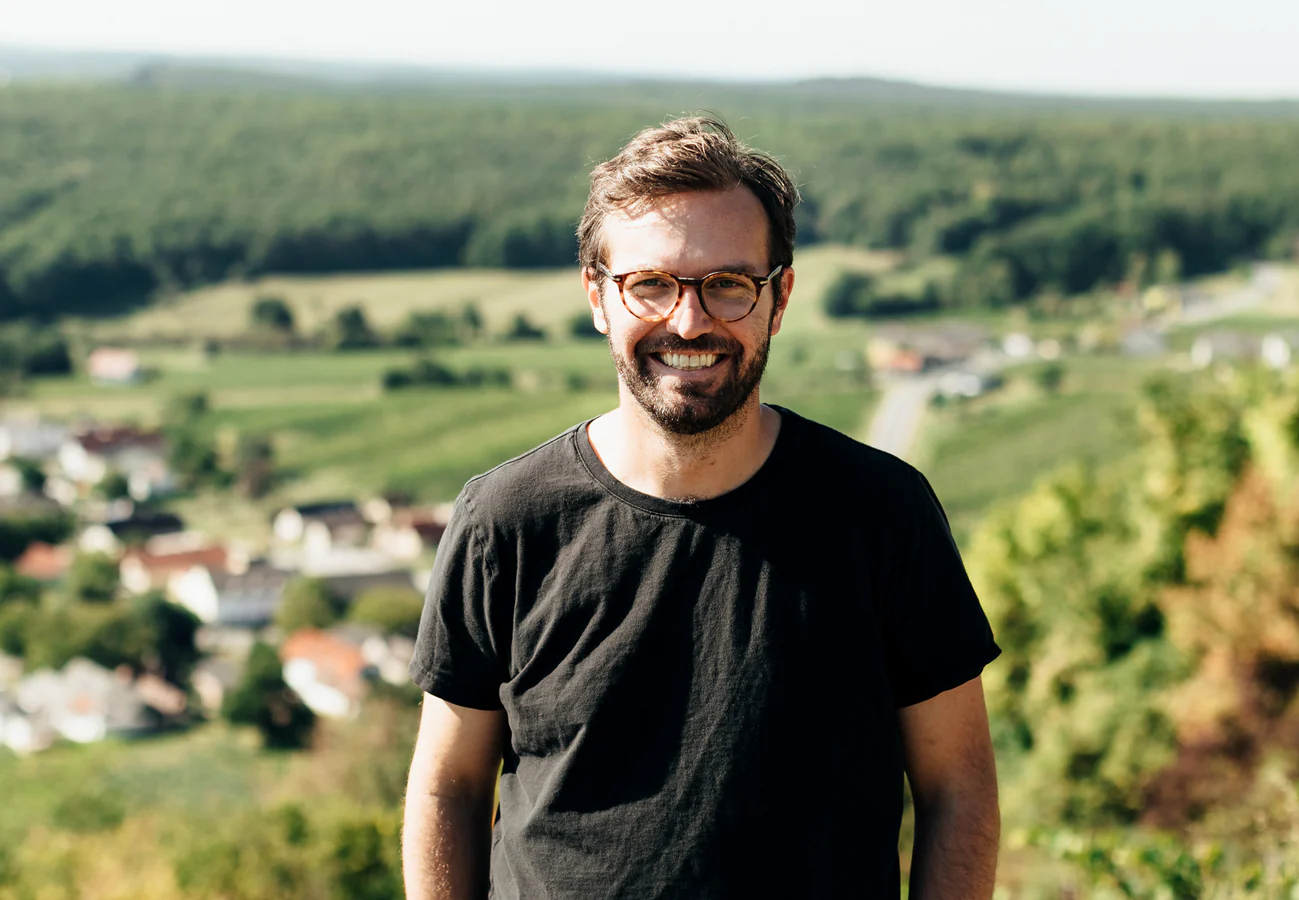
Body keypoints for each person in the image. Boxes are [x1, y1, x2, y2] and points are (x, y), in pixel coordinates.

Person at [403, 116, 1001, 899]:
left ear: (778, 298)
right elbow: (448, 786)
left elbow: (958, 788)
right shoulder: (506, 521)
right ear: (597, 296)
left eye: (727, 284)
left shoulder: (883, 515)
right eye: (651, 284)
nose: (689, 321)